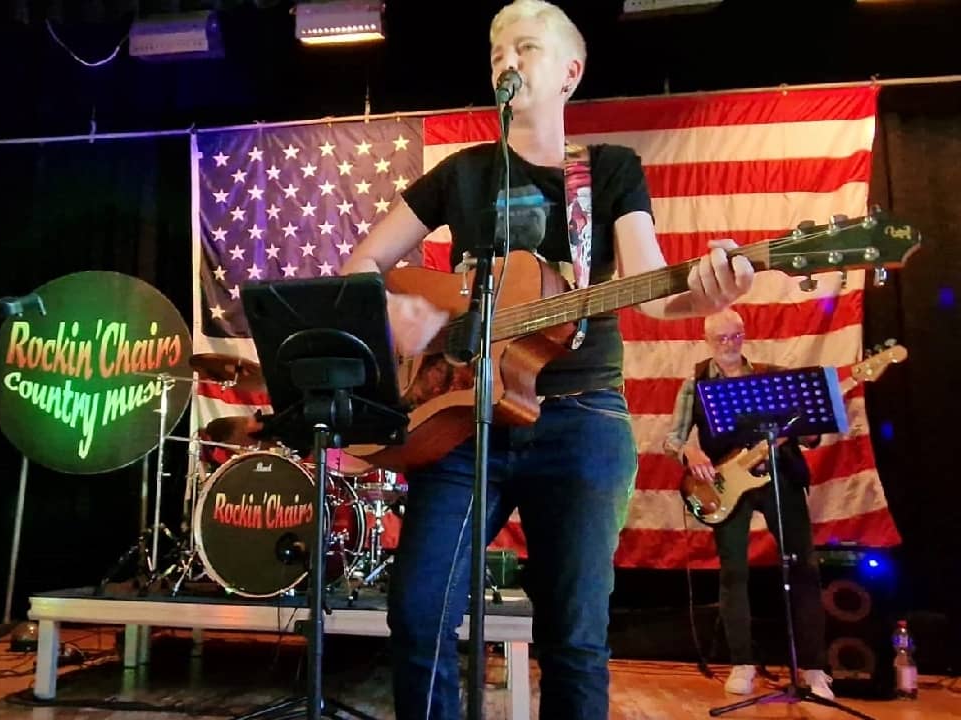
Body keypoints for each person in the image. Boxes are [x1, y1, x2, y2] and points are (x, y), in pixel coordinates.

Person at [339, 2, 756, 717]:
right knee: (419, 613)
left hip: (582, 418)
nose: (506, 60)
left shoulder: (611, 172)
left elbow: (655, 293)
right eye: (497, 49)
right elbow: (363, 263)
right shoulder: (461, 174)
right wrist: (408, 312)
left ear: (570, 71)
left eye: (526, 47)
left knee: (574, 636)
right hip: (464, 420)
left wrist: (709, 290)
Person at [663, 308, 834, 700]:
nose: (729, 345)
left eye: (735, 336)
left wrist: (805, 435)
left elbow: (809, 436)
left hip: (780, 475)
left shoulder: (771, 375)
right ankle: (742, 663)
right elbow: (672, 438)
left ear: (744, 335)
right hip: (727, 483)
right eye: (720, 339)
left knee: (803, 566)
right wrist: (691, 452)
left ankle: (812, 667)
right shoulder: (696, 381)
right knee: (733, 573)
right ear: (707, 340)